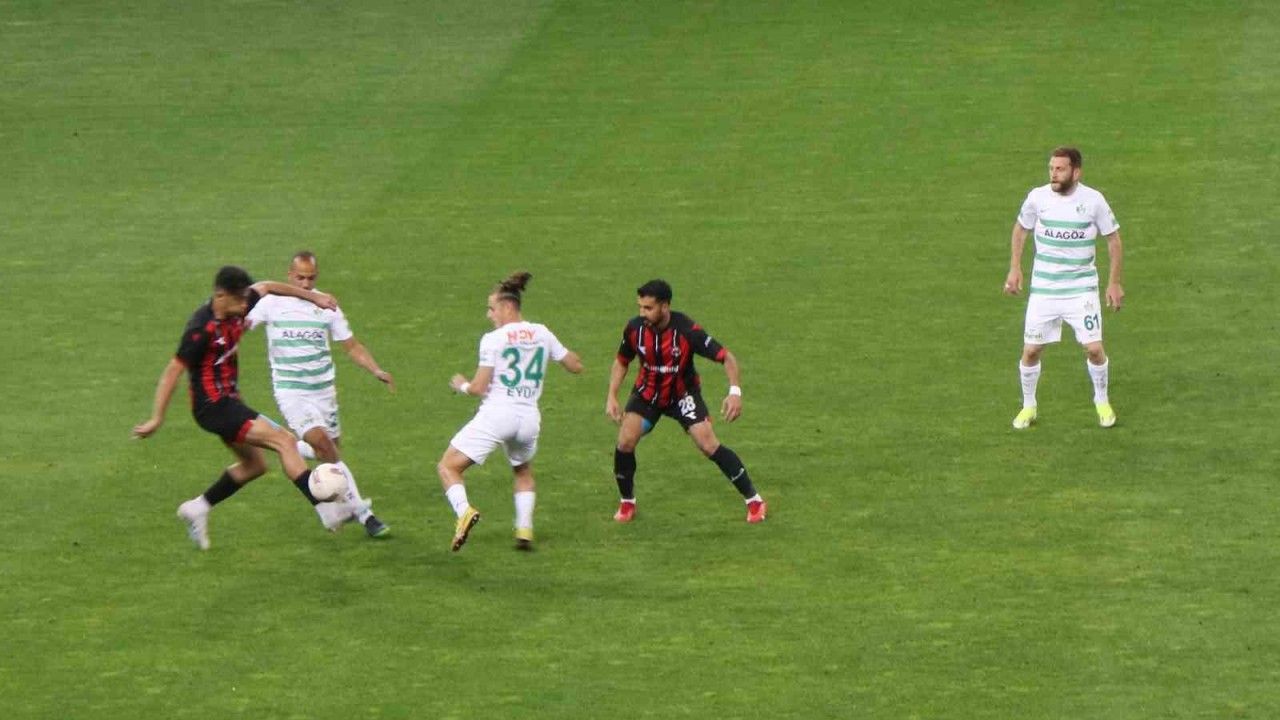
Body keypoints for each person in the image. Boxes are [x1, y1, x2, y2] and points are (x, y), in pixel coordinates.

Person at [132, 265, 339, 550]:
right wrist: (157, 418)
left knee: (254, 466)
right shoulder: (200, 330)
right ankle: (327, 509)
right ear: (220, 295)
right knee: (285, 441)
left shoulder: (239, 303)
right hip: (214, 406)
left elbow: (267, 286)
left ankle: (197, 508)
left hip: (228, 401)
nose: (245, 305)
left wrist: (314, 298)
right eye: (239, 299)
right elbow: (172, 372)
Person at [246, 251, 392, 538]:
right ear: (289, 274)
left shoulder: (327, 305)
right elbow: (243, 321)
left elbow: (351, 345)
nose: (305, 283)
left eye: (310, 278)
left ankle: (288, 447)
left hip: (324, 391)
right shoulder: (271, 304)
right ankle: (365, 515)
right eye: (300, 277)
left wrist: (375, 369)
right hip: (292, 392)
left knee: (328, 450)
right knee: (327, 447)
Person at [437, 271, 583, 552]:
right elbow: (575, 365)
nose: (489, 315)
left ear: (507, 307)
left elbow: (479, 387)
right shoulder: (542, 333)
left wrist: (461, 385)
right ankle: (524, 531)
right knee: (522, 469)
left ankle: (463, 512)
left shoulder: (494, 339)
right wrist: (562, 354)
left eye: (491, 309)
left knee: (448, 466)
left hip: (498, 414)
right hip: (529, 419)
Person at [605, 279, 766, 523]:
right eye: (640, 307)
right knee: (625, 442)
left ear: (665, 306)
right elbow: (621, 361)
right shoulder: (634, 329)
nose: (642, 313)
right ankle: (627, 502)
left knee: (708, 444)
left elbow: (727, 357)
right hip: (648, 395)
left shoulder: (687, 330)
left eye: (648, 308)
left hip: (682, 396)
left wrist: (735, 392)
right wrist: (612, 395)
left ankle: (754, 500)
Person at [1004, 146, 1124, 429]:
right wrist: (1015, 267)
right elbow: (1021, 229)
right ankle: (1028, 406)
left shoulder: (1093, 201)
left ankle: (1102, 401)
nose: (1053, 174)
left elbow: (1114, 240)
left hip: (1081, 289)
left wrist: (1114, 282)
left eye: (1060, 169)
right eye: (1051, 168)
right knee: (1031, 351)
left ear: (1076, 172)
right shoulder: (1037, 198)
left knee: (1094, 349)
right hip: (1044, 289)